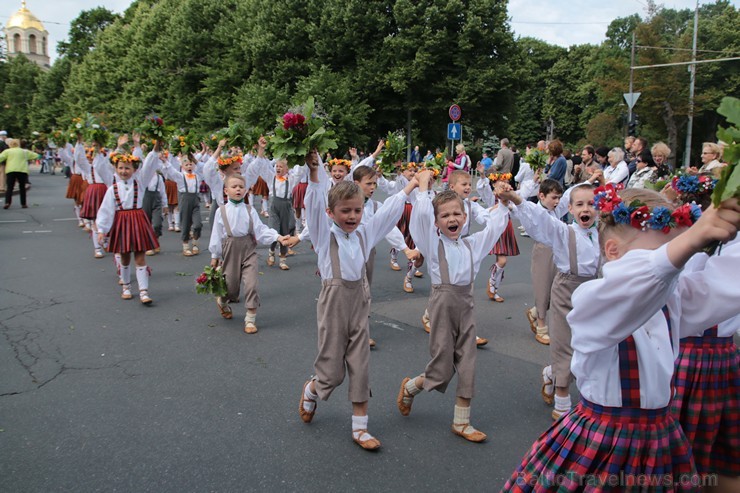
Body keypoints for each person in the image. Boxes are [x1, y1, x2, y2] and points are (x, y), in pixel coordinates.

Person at [501, 188, 740, 492]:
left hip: (660, 438)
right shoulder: (592, 299)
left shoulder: (673, 296)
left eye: (675, 251)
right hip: (605, 440)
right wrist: (689, 241)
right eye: (666, 252)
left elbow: (725, 282)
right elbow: (640, 281)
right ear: (612, 251)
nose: (674, 262)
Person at [297, 150, 419, 451]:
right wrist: (315, 174)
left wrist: (411, 185)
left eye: (357, 210)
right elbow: (313, 205)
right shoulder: (324, 236)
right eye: (345, 211)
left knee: (361, 363)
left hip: (359, 301)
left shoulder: (365, 230)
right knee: (332, 372)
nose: (352, 217)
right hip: (333, 303)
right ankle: (312, 389)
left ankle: (360, 427)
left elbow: (390, 212)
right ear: (331, 213)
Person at [396, 175, 509, 443]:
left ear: (465, 217)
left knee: (468, 363)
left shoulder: (473, 244)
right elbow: (420, 219)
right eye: (445, 215)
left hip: (466, 305)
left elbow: (495, 228)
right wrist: (423, 190)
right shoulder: (432, 245)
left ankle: (462, 422)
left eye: (457, 213)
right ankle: (411, 387)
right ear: (437, 222)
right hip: (442, 306)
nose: (452, 219)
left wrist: (504, 202)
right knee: (442, 368)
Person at [500, 176, 602, 420]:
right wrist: (517, 199)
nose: (585, 209)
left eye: (591, 204)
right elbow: (541, 219)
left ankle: (551, 373)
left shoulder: (604, 234)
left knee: (592, 348)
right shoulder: (563, 231)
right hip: (568, 290)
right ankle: (563, 402)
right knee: (564, 344)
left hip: (596, 293)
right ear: (570, 208)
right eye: (579, 205)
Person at [209, 174, 287, 333]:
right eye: (234, 187)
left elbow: (260, 230)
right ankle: (223, 301)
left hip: (249, 250)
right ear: (226, 190)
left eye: (241, 187)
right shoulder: (221, 211)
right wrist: (215, 256)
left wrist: (278, 237)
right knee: (230, 286)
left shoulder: (250, 210)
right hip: (230, 249)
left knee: (251, 284)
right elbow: (216, 235)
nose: (238, 189)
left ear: (246, 190)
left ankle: (250, 319)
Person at [96, 142, 162, 304]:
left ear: (134, 170)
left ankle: (144, 291)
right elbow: (106, 210)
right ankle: (126, 286)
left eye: (127, 168)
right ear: (115, 169)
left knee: (140, 257)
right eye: (120, 168)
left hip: (138, 220)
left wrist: (155, 149)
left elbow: (149, 166)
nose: (124, 171)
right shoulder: (112, 189)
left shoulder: (139, 183)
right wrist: (101, 229)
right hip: (121, 222)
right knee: (124, 257)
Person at [524, 179, 565, 346]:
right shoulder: (535, 211)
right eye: (554, 197)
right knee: (543, 288)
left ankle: (534, 313)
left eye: (558, 198)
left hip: (557, 251)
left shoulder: (553, 210)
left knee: (557, 289)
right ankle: (541, 327)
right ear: (541, 196)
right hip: (543, 250)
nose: (557, 201)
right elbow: (520, 206)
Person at [162, 153, 203, 256]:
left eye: (191, 164)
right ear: (182, 166)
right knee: (185, 224)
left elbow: (205, 169)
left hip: (195, 201)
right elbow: (171, 170)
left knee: (198, 224)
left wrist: (198, 157)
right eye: (187, 165)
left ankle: (195, 242)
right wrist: (165, 161)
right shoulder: (180, 177)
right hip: (185, 201)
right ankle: (185, 245)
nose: (189, 166)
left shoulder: (198, 176)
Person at [0, 139, 39, 209]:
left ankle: (7, 202)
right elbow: (36, 156)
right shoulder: (24, 151)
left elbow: (0, 158)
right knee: (22, 188)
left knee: (9, 187)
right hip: (22, 170)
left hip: (10, 170)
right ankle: (23, 203)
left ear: (10, 145)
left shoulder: (7, 151)